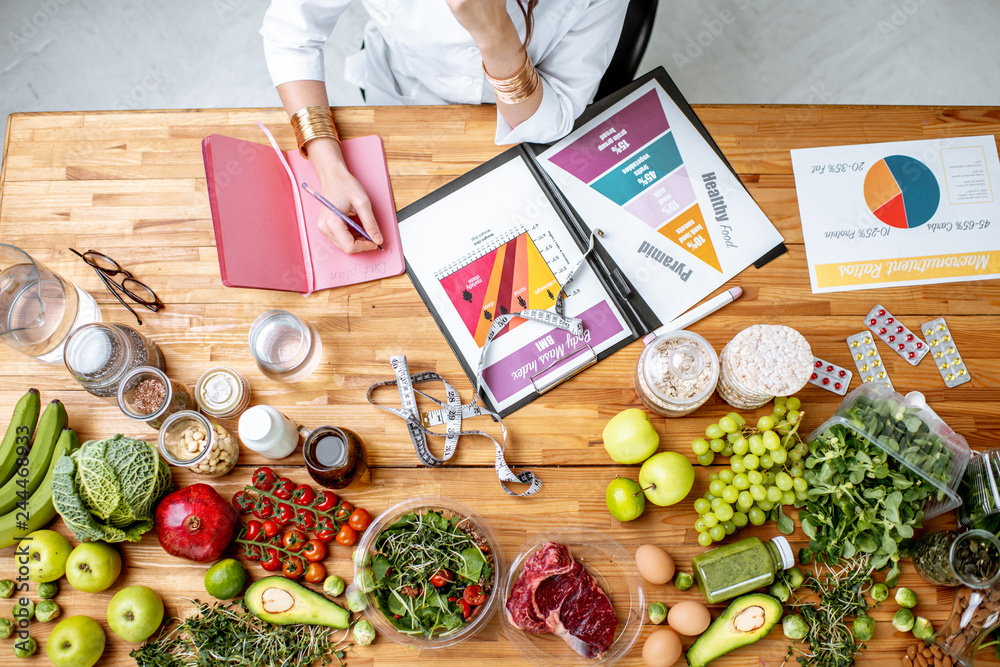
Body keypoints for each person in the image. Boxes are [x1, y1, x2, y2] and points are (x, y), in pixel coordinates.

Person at [261, 0, 629, 254]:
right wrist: (330, 169)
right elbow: (291, 33)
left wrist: (497, 37)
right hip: (402, 96)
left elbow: (553, 117)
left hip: (522, 113)